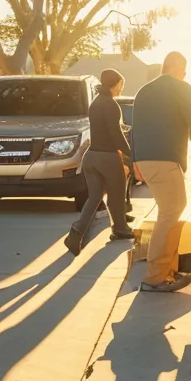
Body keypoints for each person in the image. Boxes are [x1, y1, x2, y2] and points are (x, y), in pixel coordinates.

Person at [132, 51, 191, 292]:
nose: (185, 75)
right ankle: (155, 277)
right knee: (171, 212)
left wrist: (135, 160)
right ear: (176, 68)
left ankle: (166, 271)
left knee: (170, 212)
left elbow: (134, 129)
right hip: (165, 159)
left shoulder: (144, 91)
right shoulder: (181, 88)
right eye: (184, 70)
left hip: (148, 160)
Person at [65, 69, 132, 255]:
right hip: (108, 157)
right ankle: (120, 230)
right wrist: (130, 153)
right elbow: (115, 134)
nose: (121, 88)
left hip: (91, 157)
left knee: (94, 198)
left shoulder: (95, 103)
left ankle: (76, 233)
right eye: (121, 85)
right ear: (116, 83)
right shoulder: (111, 104)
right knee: (117, 194)